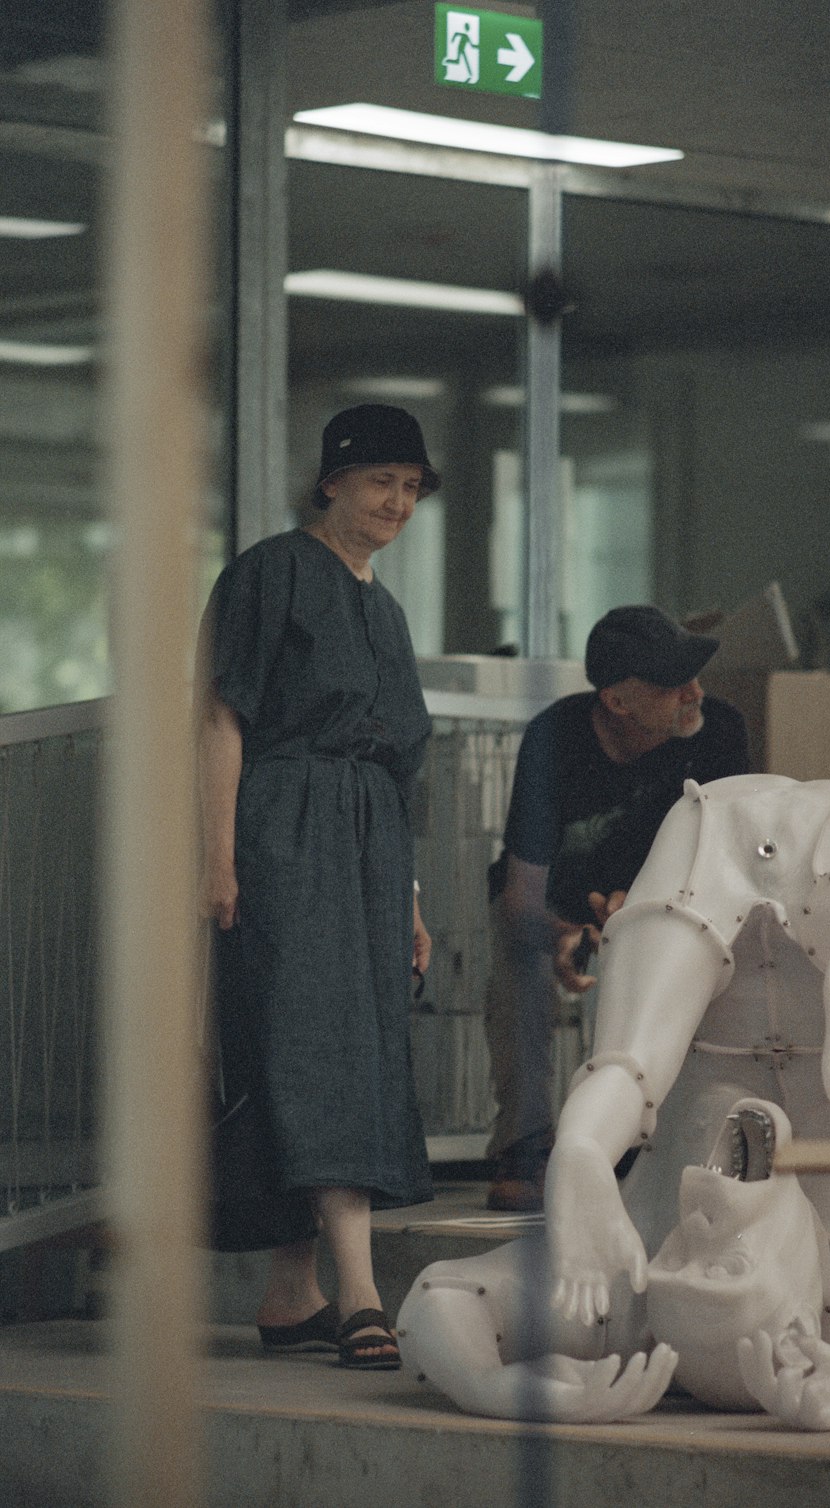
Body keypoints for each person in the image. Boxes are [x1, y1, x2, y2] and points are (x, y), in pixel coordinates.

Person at [197, 403, 438, 1369]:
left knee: (356, 1044)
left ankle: (291, 1295)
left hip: (371, 836)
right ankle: (364, 1293)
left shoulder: (384, 608)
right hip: (284, 822)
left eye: (413, 488)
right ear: (331, 480)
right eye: (381, 480)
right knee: (315, 1040)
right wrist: (217, 855)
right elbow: (222, 720)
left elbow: (399, 768)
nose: (397, 502)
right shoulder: (269, 573)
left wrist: (412, 896)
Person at [484, 605, 749, 1212]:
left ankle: (651, 1137)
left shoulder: (720, 732)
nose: (696, 692)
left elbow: (731, 862)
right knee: (520, 974)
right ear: (619, 701)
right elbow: (522, 894)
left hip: (670, 899)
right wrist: (564, 934)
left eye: (694, 674)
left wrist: (648, 908)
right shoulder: (554, 739)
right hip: (556, 904)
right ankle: (525, 1143)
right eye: (674, 683)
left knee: (697, 974)